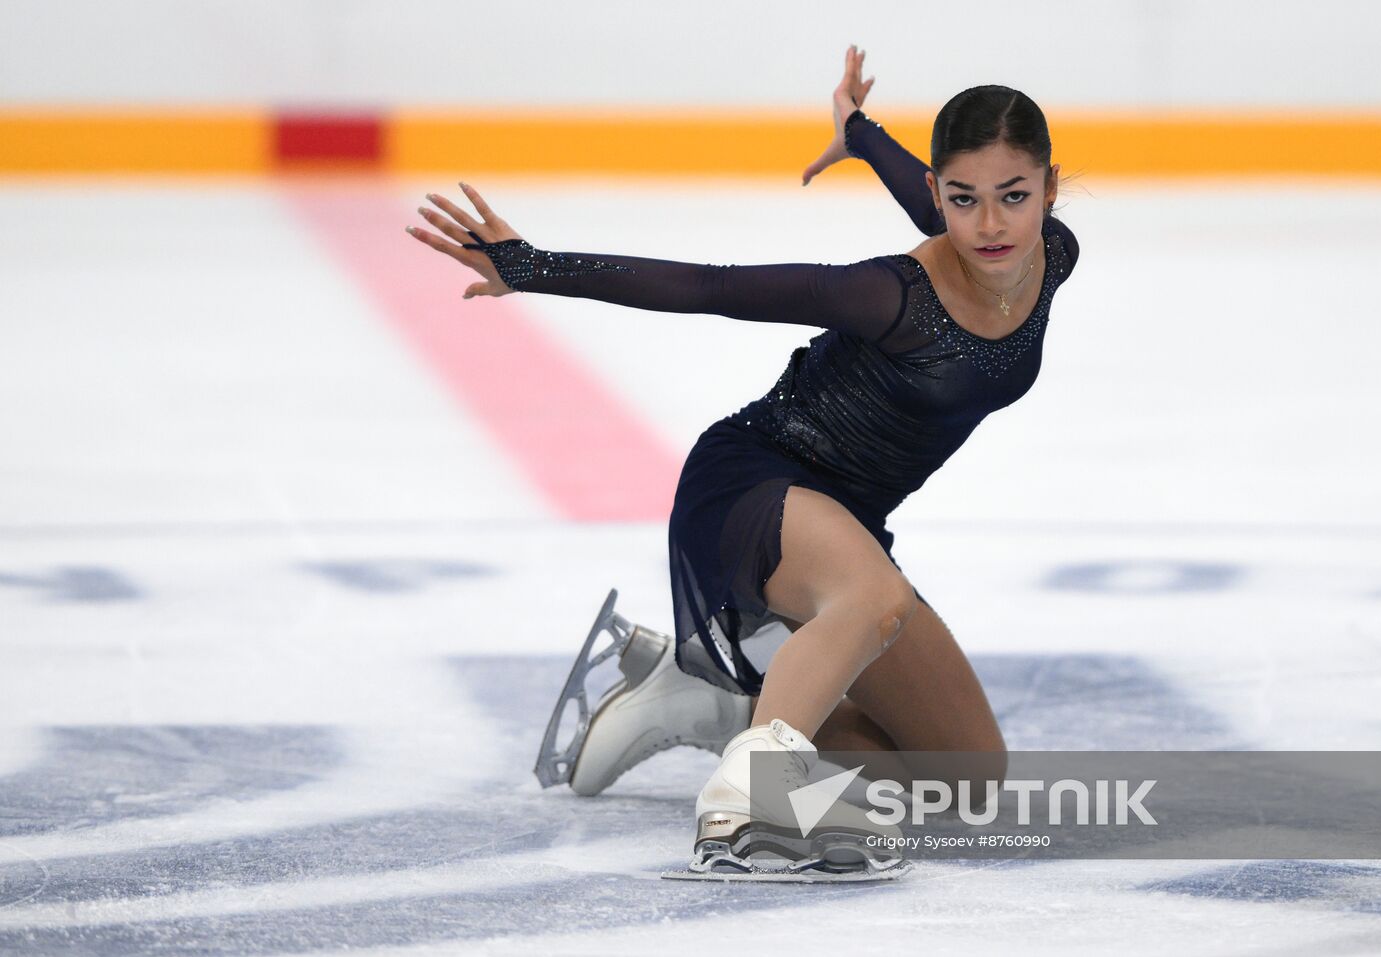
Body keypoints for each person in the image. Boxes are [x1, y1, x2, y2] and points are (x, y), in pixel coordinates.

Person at [407, 46, 1081, 877]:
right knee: (874, 597)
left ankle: (725, 705)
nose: (988, 226)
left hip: (846, 522)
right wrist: (534, 266)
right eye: (962, 199)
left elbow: (950, 201)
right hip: (757, 481)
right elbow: (709, 285)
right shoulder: (889, 294)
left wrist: (860, 133)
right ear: (940, 197)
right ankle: (748, 799)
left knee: (968, 785)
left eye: (1014, 198)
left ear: (1050, 189)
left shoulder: (1054, 255)